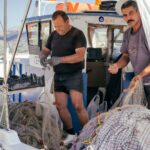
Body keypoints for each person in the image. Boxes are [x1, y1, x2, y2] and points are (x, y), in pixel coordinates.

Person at [40, 10, 89, 135]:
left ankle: (87, 134)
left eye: (60, 26)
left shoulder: (78, 34)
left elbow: (79, 56)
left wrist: (59, 60)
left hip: (74, 75)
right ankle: (71, 133)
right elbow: (46, 50)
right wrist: (42, 56)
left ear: (67, 22)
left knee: (78, 105)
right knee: (60, 105)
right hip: (59, 75)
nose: (58, 29)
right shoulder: (53, 34)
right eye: (55, 26)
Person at [108, 0, 150, 108]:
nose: (128, 17)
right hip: (140, 85)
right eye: (125, 15)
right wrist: (117, 65)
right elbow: (126, 56)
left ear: (139, 12)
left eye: (131, 13)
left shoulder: (147, 31)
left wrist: (140, 75)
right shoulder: (127, 34)